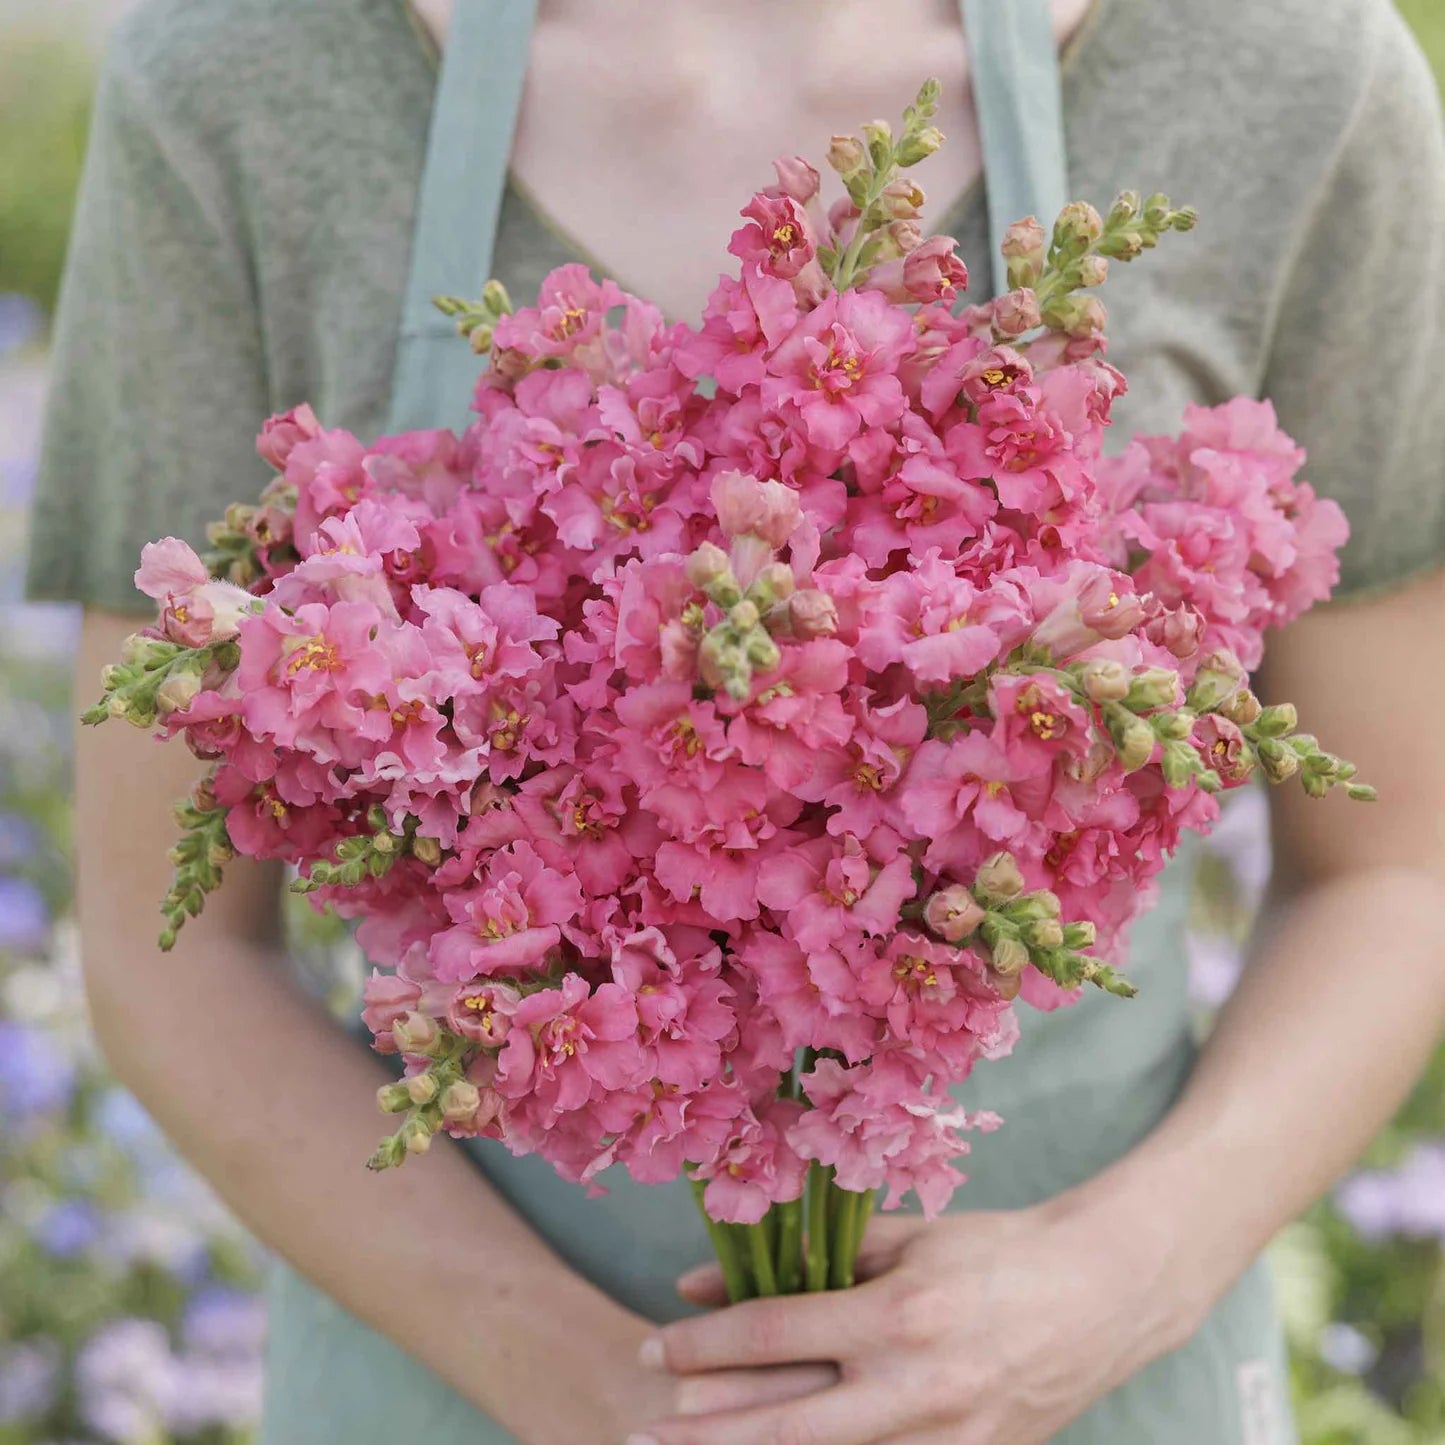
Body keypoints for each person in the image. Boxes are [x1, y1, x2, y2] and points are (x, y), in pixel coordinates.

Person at [26, 0, 1445, 1440]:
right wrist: (592, 1385)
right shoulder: (249, 77)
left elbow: (1396, 870)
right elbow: (177, 950)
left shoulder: (1284, 73)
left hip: (1092, 1384)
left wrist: (1120, 1273)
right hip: (463, 1384)